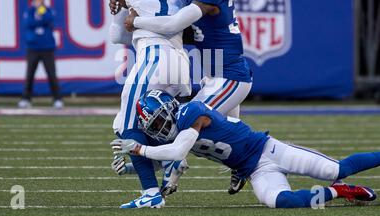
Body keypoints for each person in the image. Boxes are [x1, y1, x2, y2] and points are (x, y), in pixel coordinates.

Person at [124, 0, 253, 194]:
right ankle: (241, 163)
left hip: (228, 76)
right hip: (215, 75)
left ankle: (171, 169)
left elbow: (173, 24)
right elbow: (187, 32)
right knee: (225, 131)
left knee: (188, 124)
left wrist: (138, 21)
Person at [112, 89, 380, 208]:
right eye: (153, 124)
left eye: (159, 118)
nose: (158, 127)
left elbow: (176, 153)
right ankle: (340, 190)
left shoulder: (191, 112)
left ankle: (345, 175)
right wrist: (132, 168)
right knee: (280, 202)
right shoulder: (175, 134)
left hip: (269, 150)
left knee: (337, 167)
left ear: (170, 107)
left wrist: (139, 150)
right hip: (253, 170)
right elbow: (168, 160)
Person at [108, 0, 191, 209]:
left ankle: (151, 193)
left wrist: (120, 7)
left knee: (127, 125)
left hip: (153, 56)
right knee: (163, 124)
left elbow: (116, 35)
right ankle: (169, 159)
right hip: (181, 62)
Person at [19, 0, 63, 109]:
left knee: (51, 74)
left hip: (47, 47)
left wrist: (40, 10)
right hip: (33, 47)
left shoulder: (47, 9)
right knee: (30, 74)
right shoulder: (29, 10)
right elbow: (28, 23)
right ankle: (26, 98)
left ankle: (57, 98)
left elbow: (48, 20)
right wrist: (38, 18)